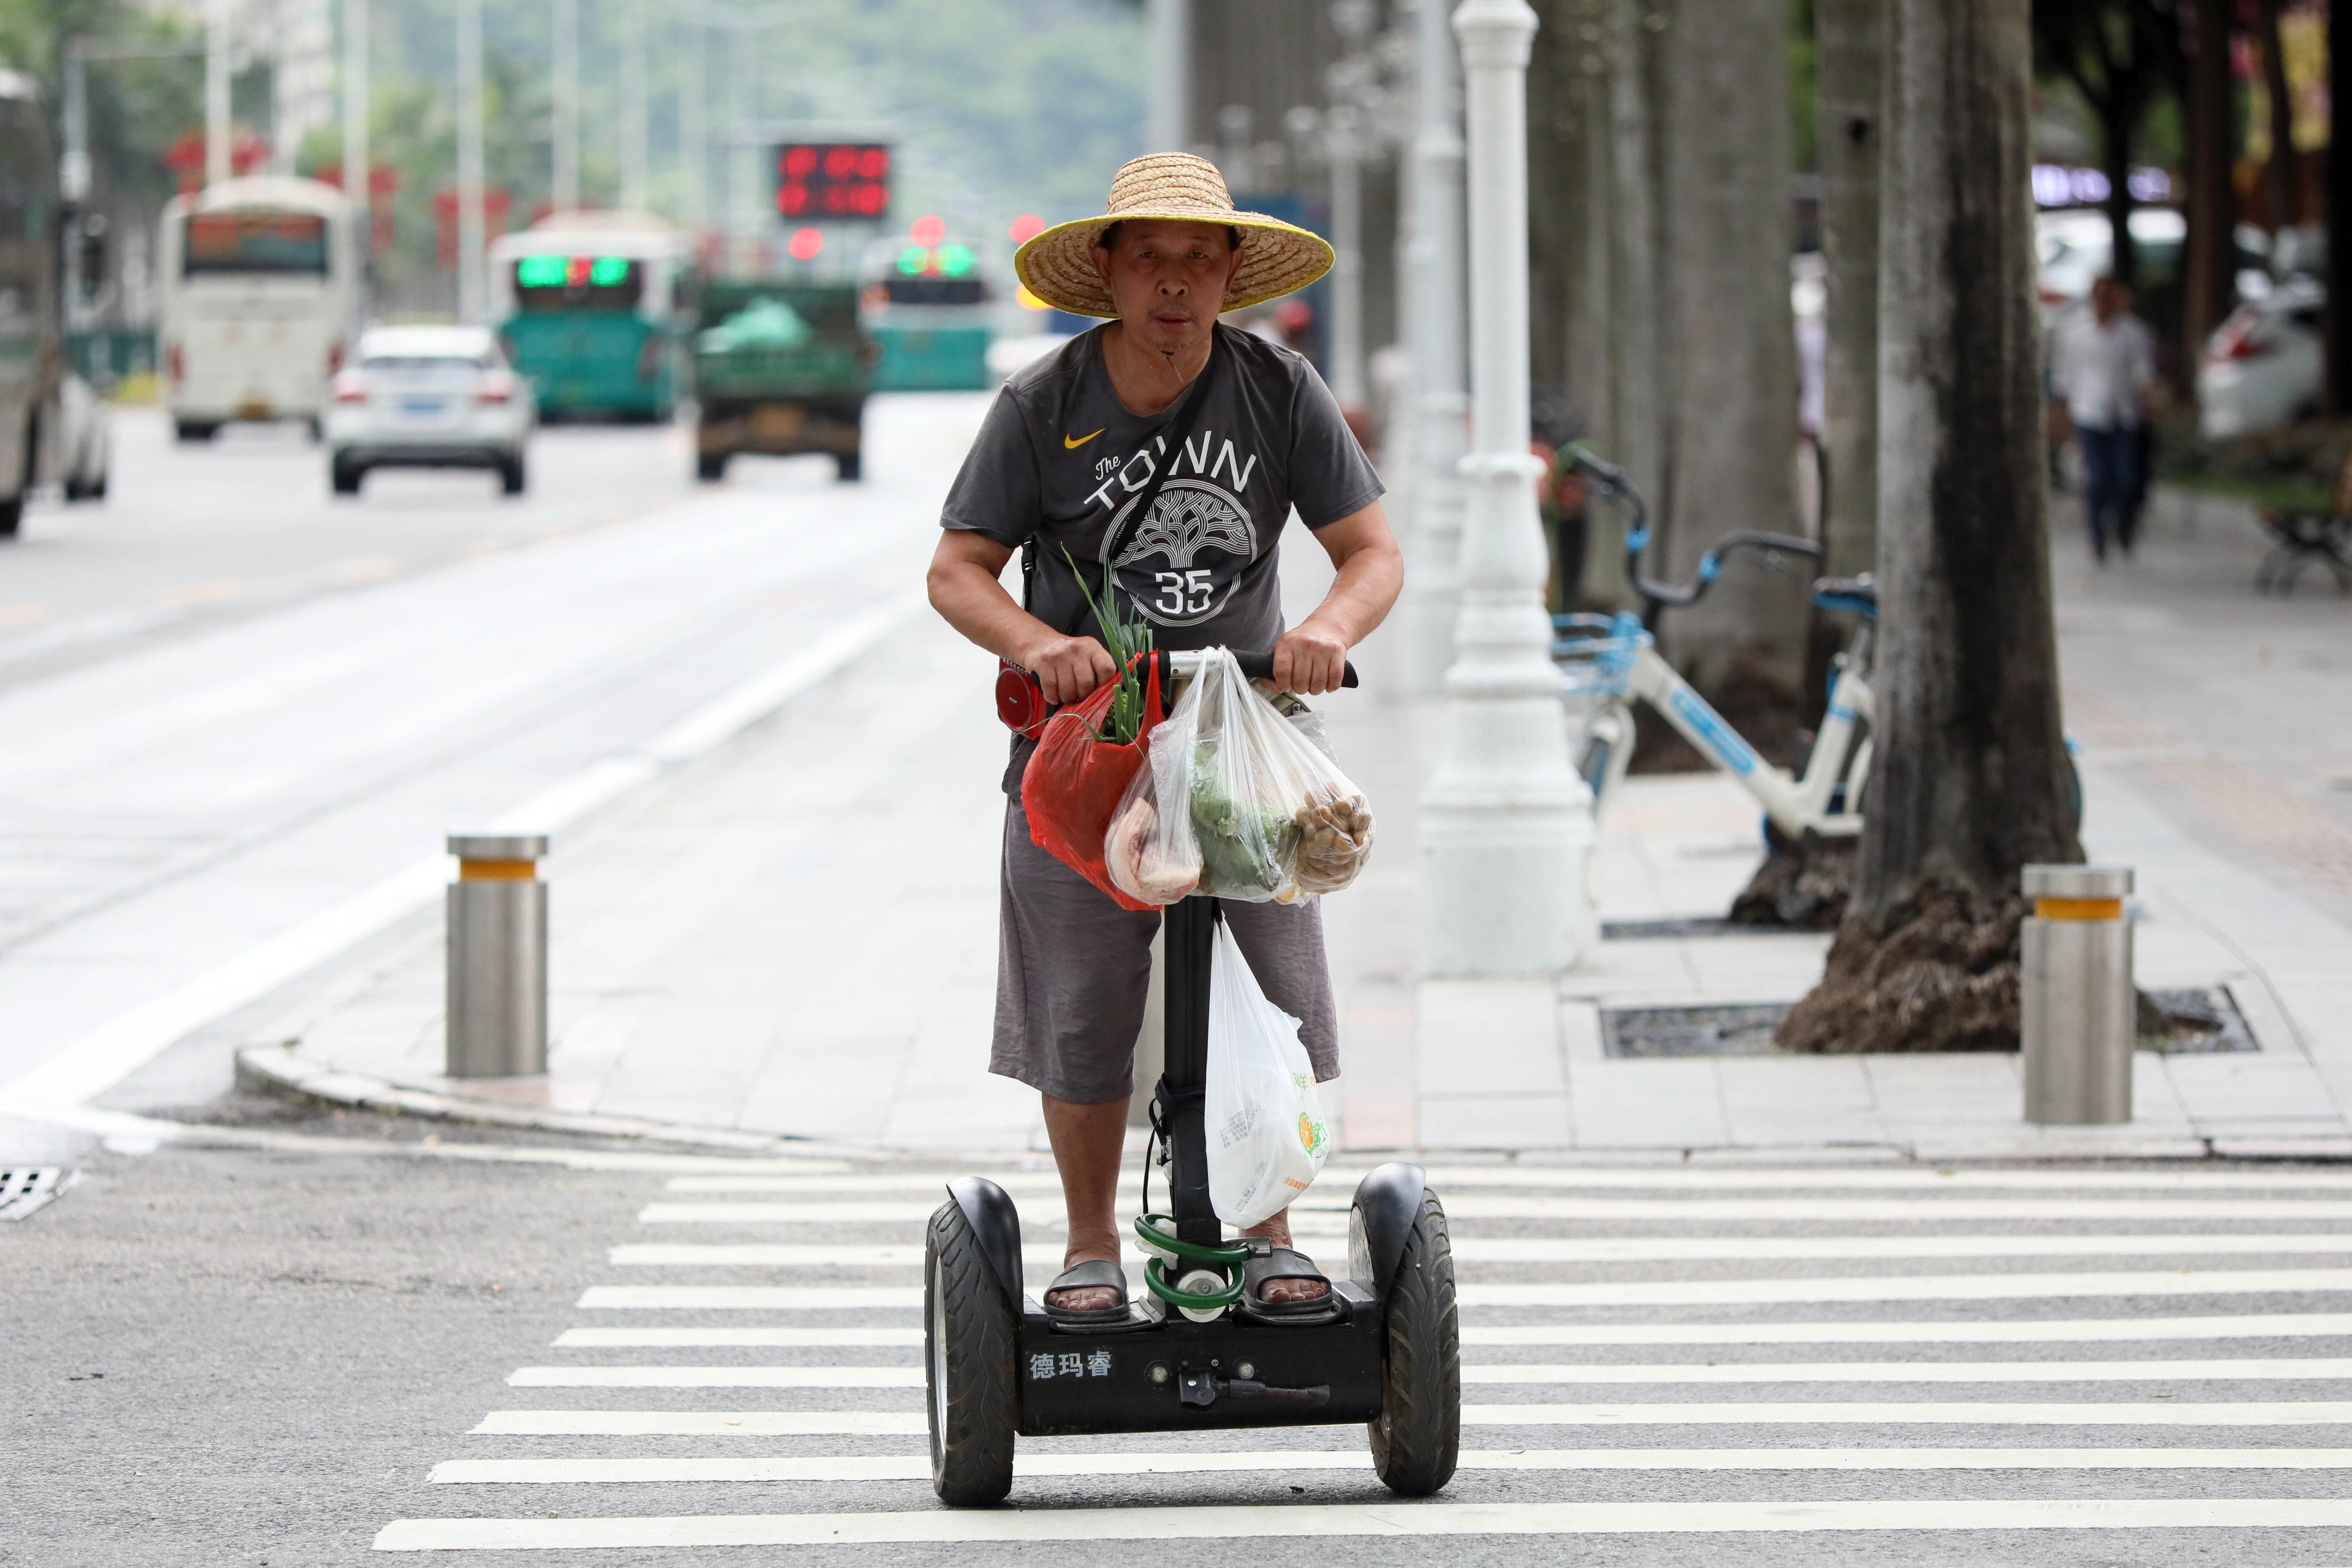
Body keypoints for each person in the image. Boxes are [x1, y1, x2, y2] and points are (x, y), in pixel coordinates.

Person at [926, 153, 1403, 1325]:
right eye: (1152, 258)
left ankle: (1269, 1231)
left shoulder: (1277, 389)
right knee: (1082, 1006)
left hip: (1242, 747)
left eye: (1199, 259)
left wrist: (1325, 632)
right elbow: (956, 572)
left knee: (1274, 989)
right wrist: (1040, 644)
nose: (1176, 284)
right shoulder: (1040, 405)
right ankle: (1090, 1246)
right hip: (1085, 753)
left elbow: (1370, 551)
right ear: (1110, 271)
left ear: (1231, 271)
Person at [2050, 274, 2158, 563]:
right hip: (2088, 412)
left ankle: (2124, 525)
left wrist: (2150, 404)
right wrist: (2062, 416)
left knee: (2125, 477)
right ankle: (2097, 536)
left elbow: (2143, 374)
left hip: (2123, 413)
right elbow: (2064, 377)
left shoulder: (2134, 333)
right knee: (2096, 480)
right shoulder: (2074, 332)